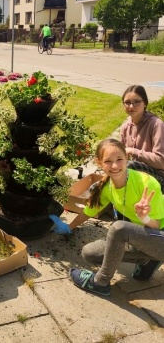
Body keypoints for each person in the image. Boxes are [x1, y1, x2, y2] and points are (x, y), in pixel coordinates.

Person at [49, 139, 164, 296]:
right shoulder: (108, 186)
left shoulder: (146, 183)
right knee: (90, 253)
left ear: (127, 158)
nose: (115, 166)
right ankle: (149, 259)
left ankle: (100, 282)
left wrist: (143, 217)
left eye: (119, 160)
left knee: (119, 228)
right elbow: (89, 211)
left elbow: (156, 226)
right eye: (108, 161)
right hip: (143, 236)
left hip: (158, 234)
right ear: (99, 162)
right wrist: (68, 227)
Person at [120, 85, 164, 192]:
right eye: (127, 102)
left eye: (136, 102)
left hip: (159, 178)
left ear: (145, 103)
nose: (131, 106)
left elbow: (161, 161)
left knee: (130, 166)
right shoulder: (125, 128)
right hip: (137, 175)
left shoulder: (156, 125)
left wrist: (133, 151)